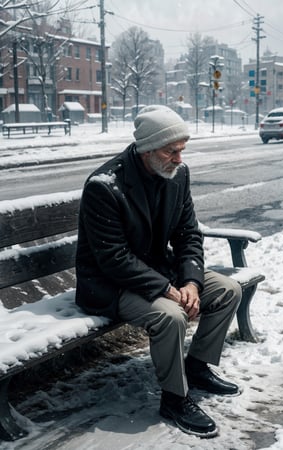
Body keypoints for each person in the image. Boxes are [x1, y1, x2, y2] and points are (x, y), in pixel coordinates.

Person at [75, 105, 242, 438]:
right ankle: (174, 399)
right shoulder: (104, 186)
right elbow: (113, 258)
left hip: (157, 271)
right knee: (171, 316)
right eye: (172, 151)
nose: (179, 158)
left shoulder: (177, 174)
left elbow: (188, 234)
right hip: (110, 284)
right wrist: (168, 289)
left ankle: (195, 368)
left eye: (182, 150)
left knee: (227, 290)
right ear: (147, 149)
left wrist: (192, 282)